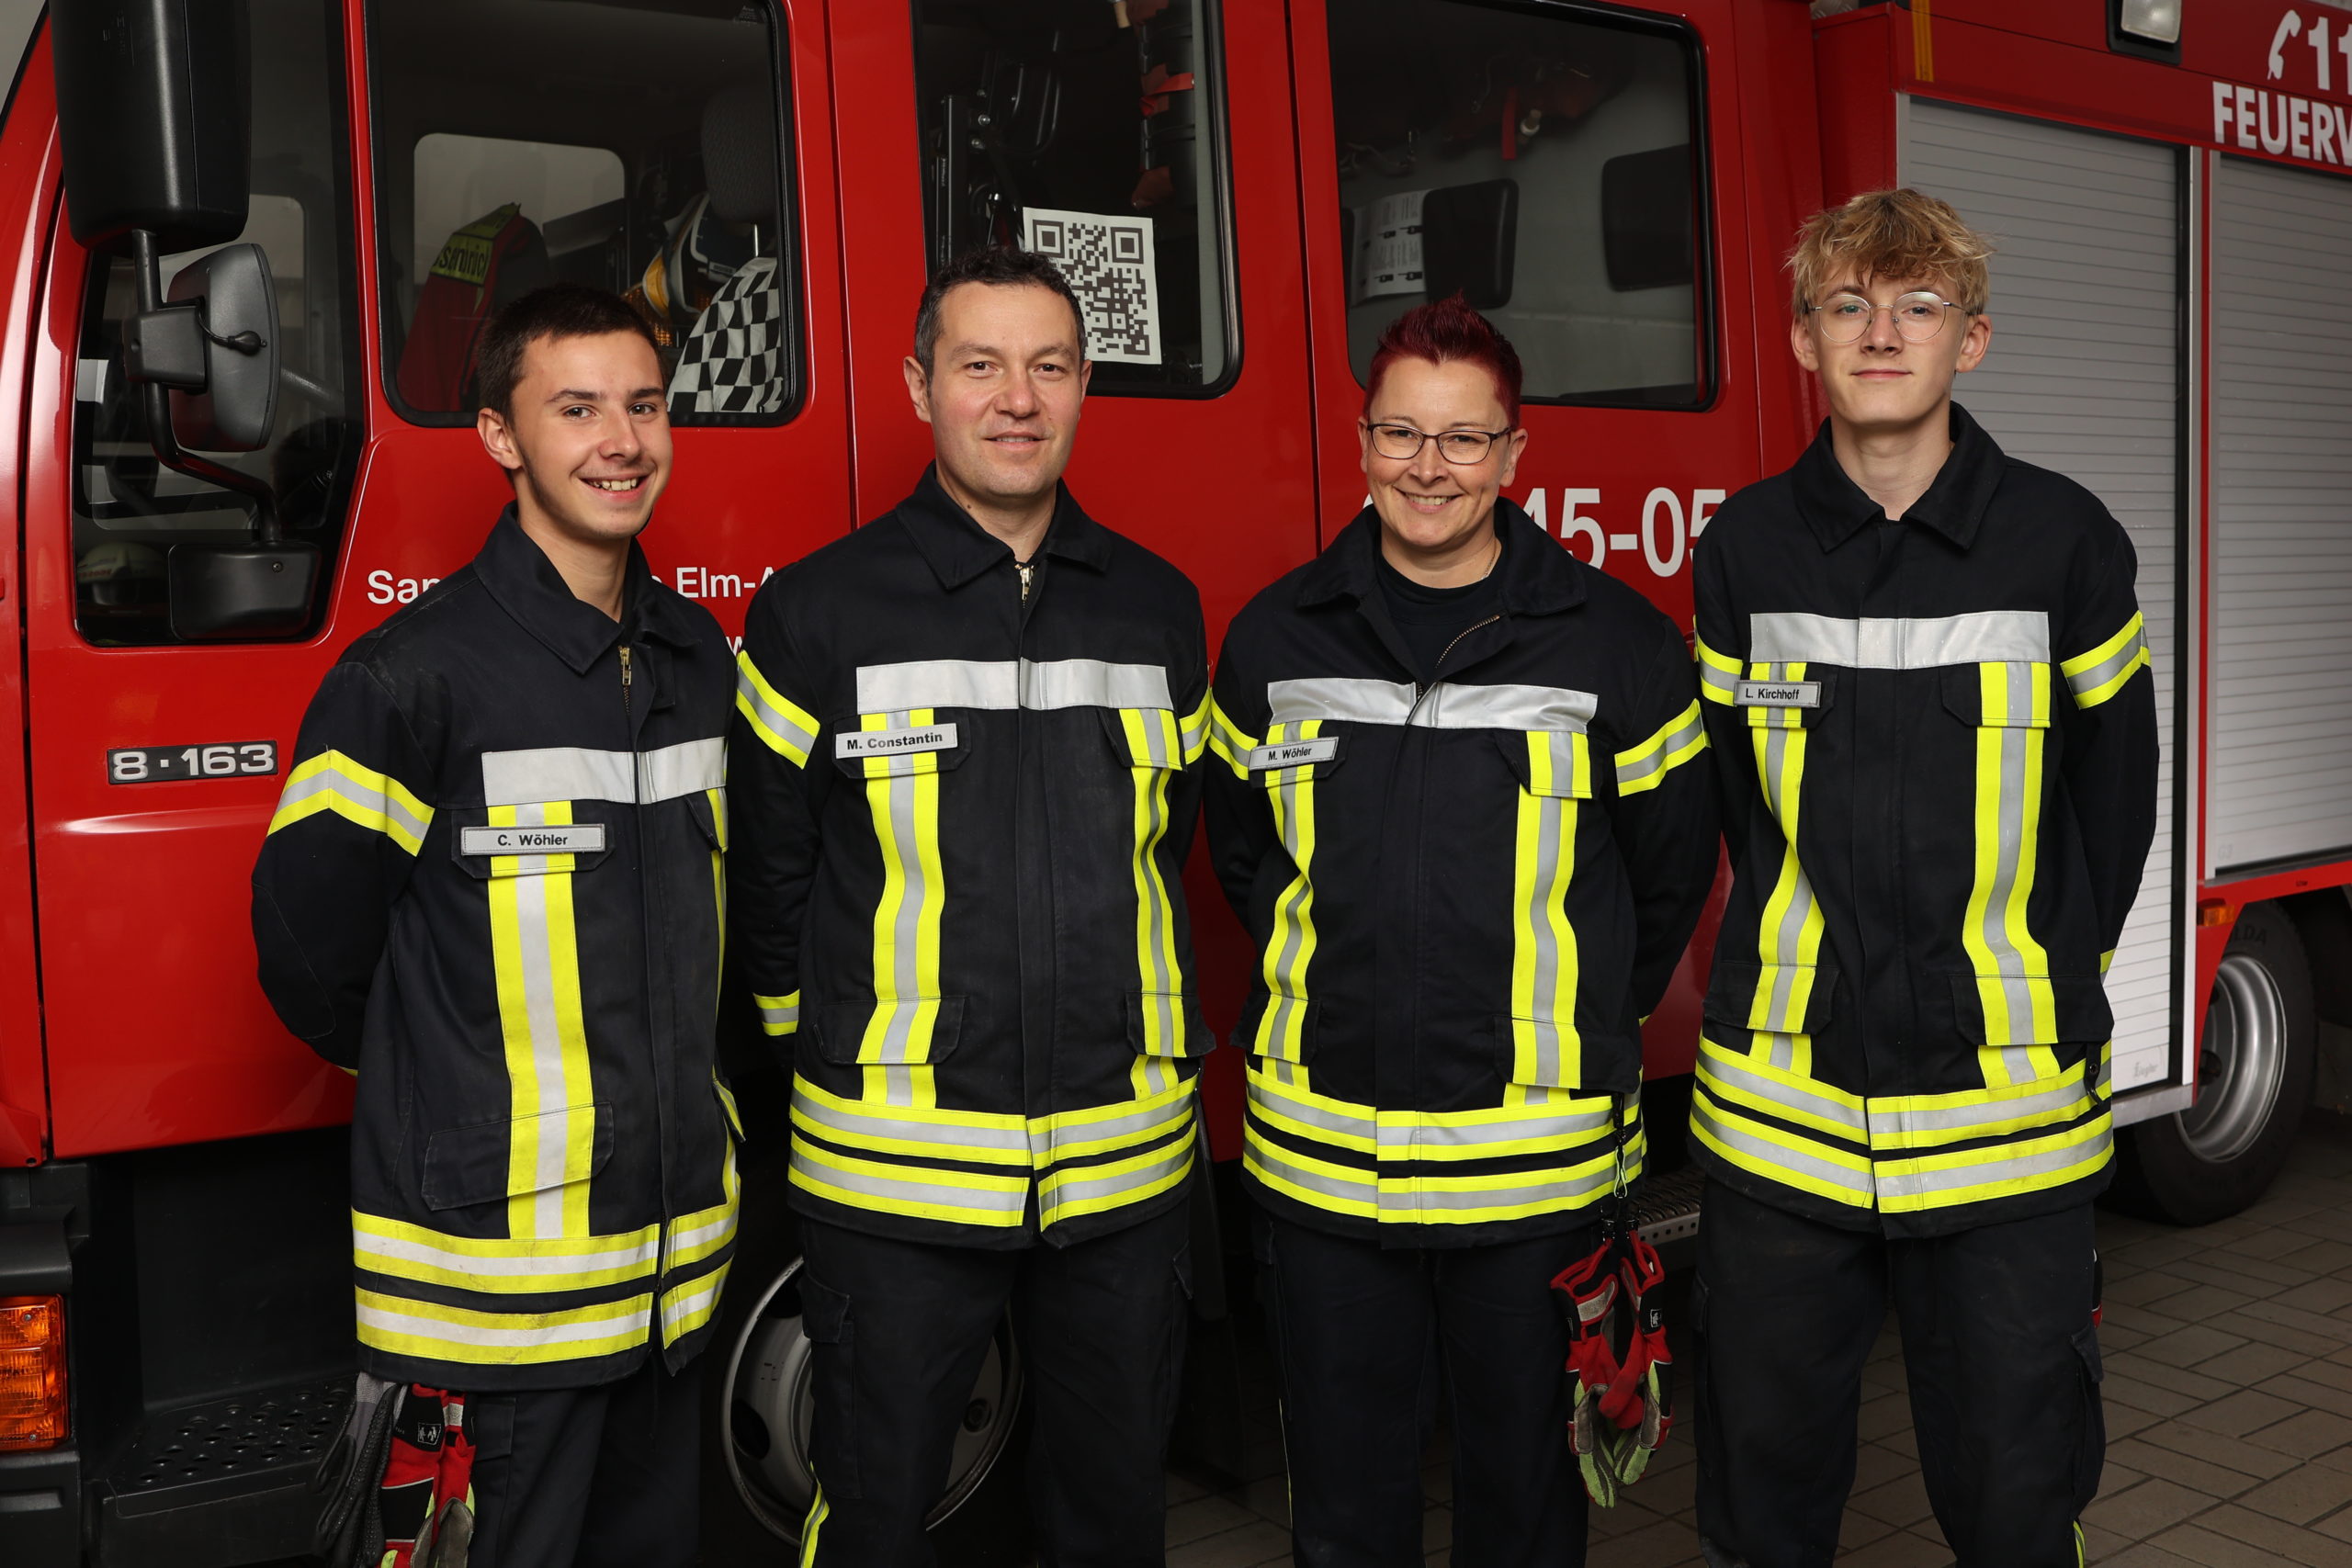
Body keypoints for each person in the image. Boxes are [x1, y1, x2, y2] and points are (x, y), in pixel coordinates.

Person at [1204, 297, 1717, 1567]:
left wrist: (1581, 1015)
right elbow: (1245, 860)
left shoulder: (1619, 647)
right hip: (1323, 1177)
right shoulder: (1272, 639)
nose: (1428, 467)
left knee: (1527, 1513)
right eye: (1401, 434)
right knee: (1343, 1516)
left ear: (1514, 453)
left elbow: (1663, 880)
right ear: (1363, 441)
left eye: (1464, 439)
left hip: (1538, 1182)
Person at [1687, 189, 2158, 1567]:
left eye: (1918, 306)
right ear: (1802, 340)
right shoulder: (1743, 549)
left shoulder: (2066, 541)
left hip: (2008, 1124)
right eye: (1849, 305)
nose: (1881, 333)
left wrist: (2037, 981)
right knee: (1763, 1512)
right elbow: (1738, 807)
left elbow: (2115, 804)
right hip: (1782, 1122)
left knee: (2016, 1507)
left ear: (1974, 340)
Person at [729, 245, 1210, 1566]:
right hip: (893, 1175)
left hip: (1121, 1168)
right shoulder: (818, 612)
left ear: (1084, 386)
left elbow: (1190, 850)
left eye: (1048, 366)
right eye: (980, 364)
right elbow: (768, 875)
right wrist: (822, 1049)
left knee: (1111, 1520)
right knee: (875, 1518)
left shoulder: (1160, 608)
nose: (1017, 398)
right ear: (918, 386)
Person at [252, 284, 739, 1568]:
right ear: (500, 436)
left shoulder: (698, 661)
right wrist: (448, 1088)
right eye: (576, 409)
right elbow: (309, 954)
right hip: (497, 1299)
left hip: (666, 1284)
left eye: (643, 405)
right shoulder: (408, 680)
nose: (620, 441)